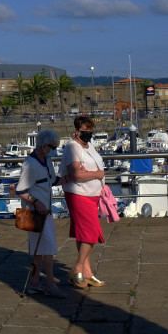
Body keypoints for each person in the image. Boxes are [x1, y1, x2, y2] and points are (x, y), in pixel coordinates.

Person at [15, 129, 65, 298]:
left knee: (39, 252)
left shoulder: (47, 161)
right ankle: (50, 283)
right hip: (34, 214)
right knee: (49, 248)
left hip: (47, 213)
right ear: (44, 146)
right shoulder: (30, 164)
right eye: (53, 146)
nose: (55, 150)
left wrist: (73, 177)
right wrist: (36, 202)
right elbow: (20, 190)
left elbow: (53, 180)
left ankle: (35, 281)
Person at [58, 115, 106, 289]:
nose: (89, 133)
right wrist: (96, 174)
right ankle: (77, 267)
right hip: (79, 194)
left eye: (91, 130)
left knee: (83, 233)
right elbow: (76, 174)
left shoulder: (89, 145)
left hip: (92, 195)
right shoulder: (72, 147)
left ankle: (87, 272)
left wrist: (91, 172)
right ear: (77, 131)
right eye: (85, 131)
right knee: (91, 232)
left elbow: (90, 167)